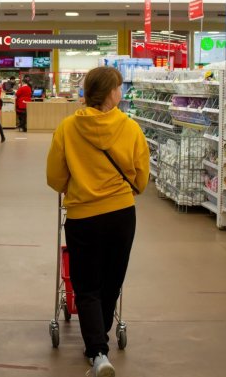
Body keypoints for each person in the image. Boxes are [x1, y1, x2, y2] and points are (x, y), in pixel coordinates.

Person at [46, 67, 149, 377]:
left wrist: (76, 184)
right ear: (110, 92)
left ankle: (98, 352)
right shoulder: (130, 128)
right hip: (121, 215)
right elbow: (141, 178)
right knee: (111, 281)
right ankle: (99, 339)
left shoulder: (67, 128)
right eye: (119, 87)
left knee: (86, 285)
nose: (121, 92)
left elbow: (55, 177)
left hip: (82, 216)